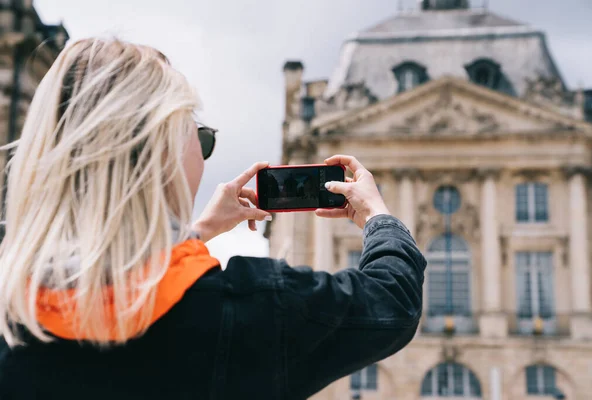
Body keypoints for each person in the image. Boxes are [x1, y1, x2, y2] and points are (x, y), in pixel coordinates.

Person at [0, 38, 426, 400]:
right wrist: (377, 217)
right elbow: (392, 302)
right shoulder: (248, 310)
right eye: (200, 137)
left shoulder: (12, 310)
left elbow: (113, 279)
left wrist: (198, 234)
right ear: (163, 152)